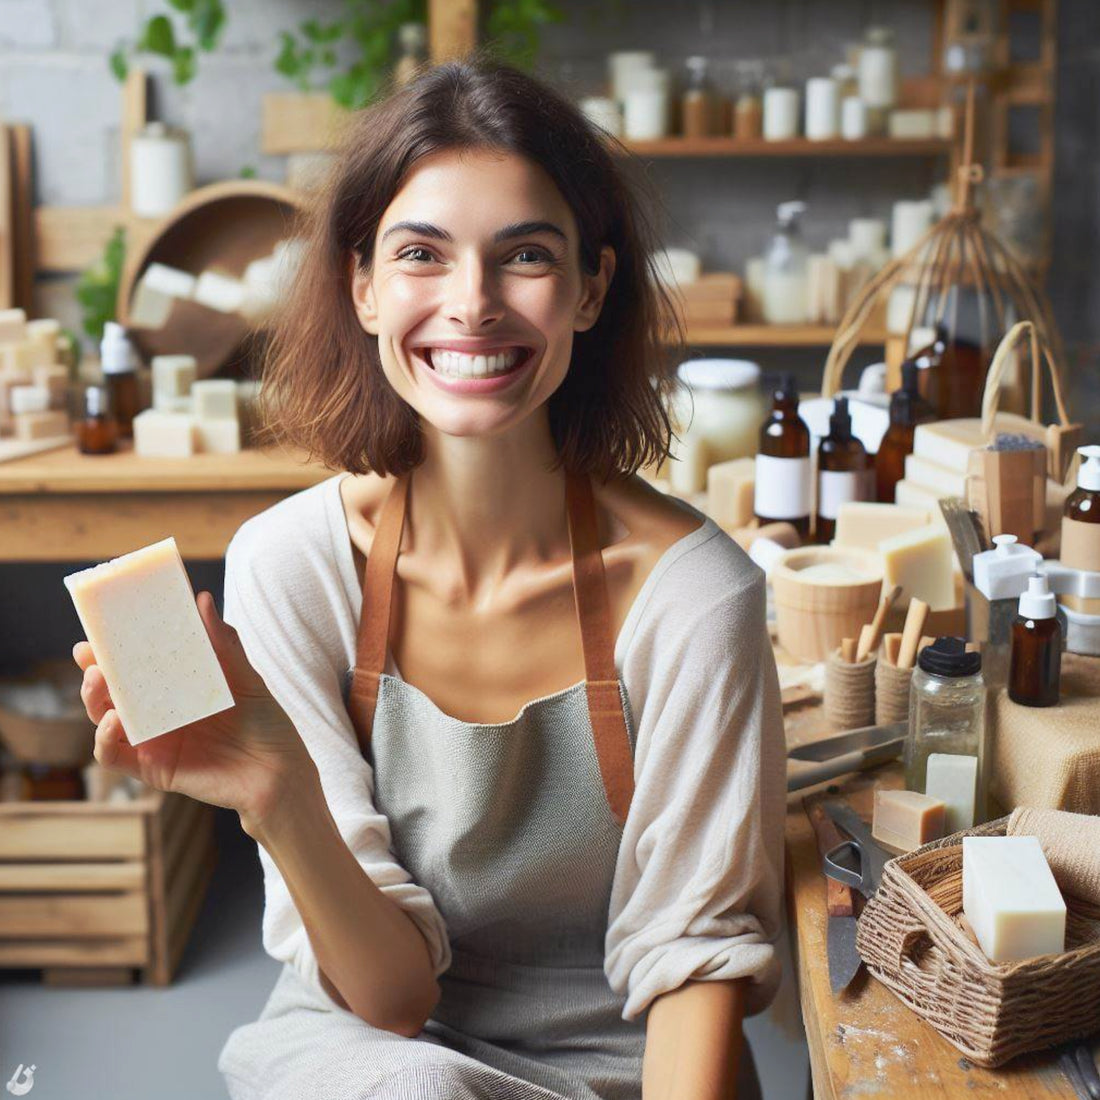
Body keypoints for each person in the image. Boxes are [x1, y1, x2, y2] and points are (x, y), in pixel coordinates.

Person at [74, 58, 785, 1100]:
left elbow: (693, 967)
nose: (472, 304)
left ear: (591, 286)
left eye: (524, 256)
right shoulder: (295, 565)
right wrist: (277, 793)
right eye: (421, 253)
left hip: (622, 1063)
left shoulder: (692, 596)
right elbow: (392, 998)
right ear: (362, 285)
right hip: (364, 1050)